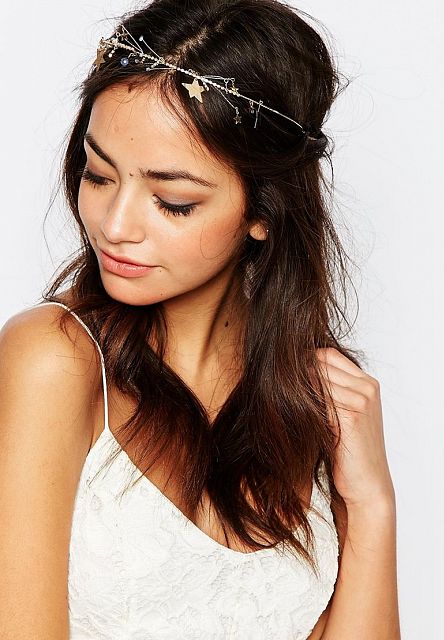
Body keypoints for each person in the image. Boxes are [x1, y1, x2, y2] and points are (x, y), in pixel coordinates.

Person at [0, 1, 400, 638]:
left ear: (262, 212)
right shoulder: (54, 359)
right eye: (98, 175)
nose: (115, 225)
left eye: (173, 202)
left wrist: (372, 504)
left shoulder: (315, 401)